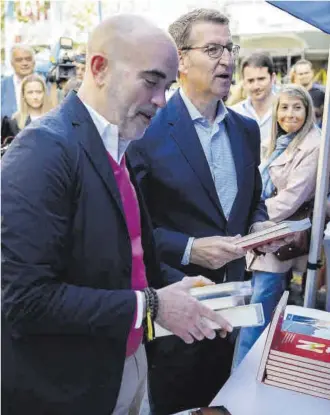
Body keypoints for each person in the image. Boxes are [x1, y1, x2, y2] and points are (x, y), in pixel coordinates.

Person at [1, 14, 233, 415]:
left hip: (124, 362)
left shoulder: (117, 143)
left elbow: (127, 254)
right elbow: (21, 299)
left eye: (167, 86)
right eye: (151, 81)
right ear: (99, 68)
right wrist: (153, 305)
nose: (162, 100)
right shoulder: (43, 151)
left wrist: (176, 286)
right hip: (69, 386)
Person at [128, 8, 287, 414]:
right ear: (180, 60)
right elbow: (130, 228)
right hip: (172, 302)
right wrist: (189, 249)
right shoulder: (148, 129)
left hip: (233, 299)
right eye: (213, 48)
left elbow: (253, 199)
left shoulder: (246, 129)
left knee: (217, 402)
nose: (228, 59)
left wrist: (260, 225)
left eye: (230, 47)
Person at [234, 84, 321, 368]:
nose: (289, 114)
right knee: (257, 317)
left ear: (308, 111)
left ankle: (239, 386)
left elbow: (290, 200)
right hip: (264, 237)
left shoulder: (314, 144)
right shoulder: (280, 142)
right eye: (284, 107)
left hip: (278, 240)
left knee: (255, 321)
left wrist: (247, 216)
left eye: (297, 107)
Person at [230, 53, 277, 152]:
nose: (256, 86)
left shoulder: (286, 111)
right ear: (243, 82)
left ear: (273, 78)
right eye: (251, 81)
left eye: (261, 79)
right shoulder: (234, 114)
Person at [1, 73, 52, 142]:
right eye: (30, 92)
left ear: (44, 93)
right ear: (23, 95)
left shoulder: (54, 119)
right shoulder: (14, 122)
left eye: (39, 92)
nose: (35, 97)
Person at [1, 44, 36, 119]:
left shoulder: (47, 84)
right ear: (12, 63)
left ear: (34, 62)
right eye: (19, 60)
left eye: (28, 59)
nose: (24, 63)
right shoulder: (2, 86)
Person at [292, 59, 325, 127]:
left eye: (306, 73)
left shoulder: (323, 92)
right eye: (301, 74)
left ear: (312, 72)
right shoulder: (291, 94)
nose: (304, 76)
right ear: (295, 75)